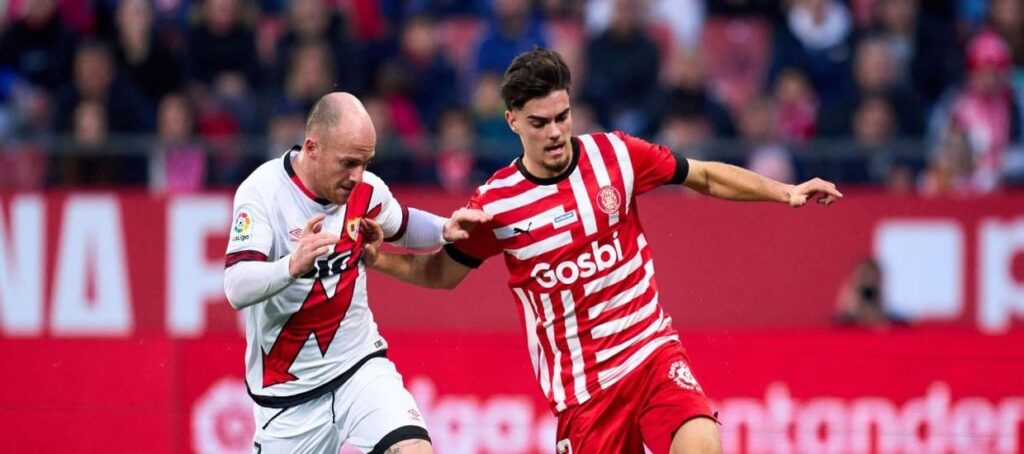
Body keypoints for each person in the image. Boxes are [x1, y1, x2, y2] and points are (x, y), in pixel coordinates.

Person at [361, 48, 842, 453]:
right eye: (539, 122)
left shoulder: (616, 156)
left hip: (651, 354)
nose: (555, 132)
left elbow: (704, 175)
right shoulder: (497, 204)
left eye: (562, 117)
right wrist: (380, 259)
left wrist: (785, 191)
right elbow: (442, 274)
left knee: (702, 442)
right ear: (512, 121)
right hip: (585, 396)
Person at [222, 92, 488, 454]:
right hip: (288, 396)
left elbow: (402, 225)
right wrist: (291, 266)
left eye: (365, 163)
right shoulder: (263, 193)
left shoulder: (367, 190)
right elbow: (236, 286)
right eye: (348, 163)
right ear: (312, 148)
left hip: (359, 370)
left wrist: (445, 228)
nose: (357, 176)